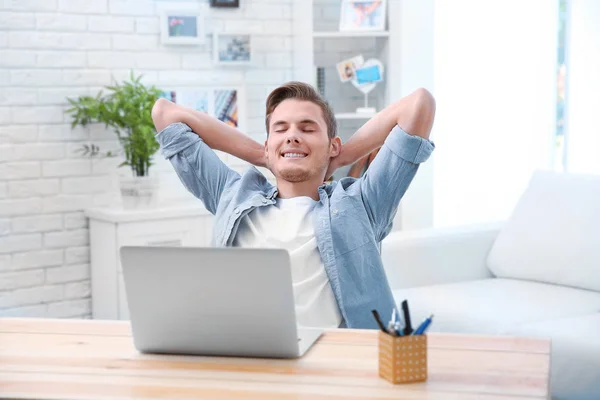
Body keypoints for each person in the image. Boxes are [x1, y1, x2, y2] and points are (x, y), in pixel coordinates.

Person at [151, 82, 435, 329]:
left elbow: (418, 105)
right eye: (281, 129)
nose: (292, 135)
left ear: (332, 144)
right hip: (248, 357)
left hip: (337, 361)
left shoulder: (363, 202)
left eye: (307, 128)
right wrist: (266, 155)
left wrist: (341, 156)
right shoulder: (231, 195)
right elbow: (165, 114)